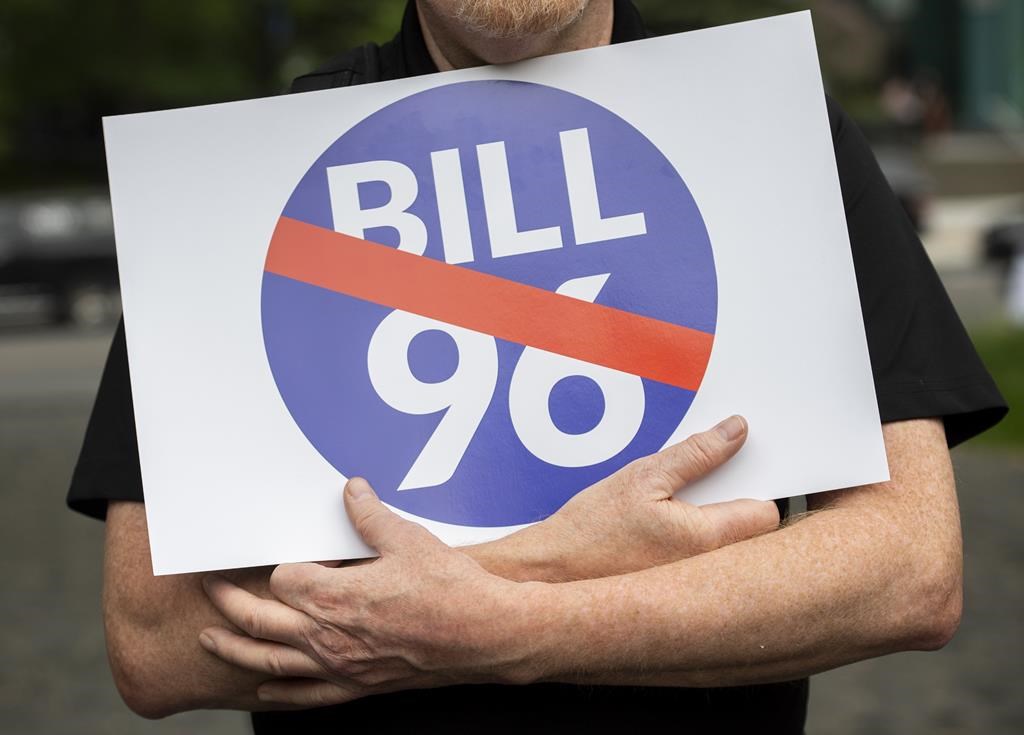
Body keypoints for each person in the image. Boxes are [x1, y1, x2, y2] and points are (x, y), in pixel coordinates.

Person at [68, 1, 1007, 733]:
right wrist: (546, 561)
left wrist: (509, 627)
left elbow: (910, 566)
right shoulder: (236, 176)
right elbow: (153, 641)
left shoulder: (771, 125)